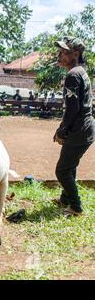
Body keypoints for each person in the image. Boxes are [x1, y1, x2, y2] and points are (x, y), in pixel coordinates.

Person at [52, 36, 95, 216]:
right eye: (59, 51)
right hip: (84, 129)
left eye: (64, 52)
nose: (59, 55)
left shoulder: (73, 75)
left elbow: (73, 108)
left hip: (79, 130)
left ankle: (76, 207)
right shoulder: (80, 71)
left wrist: (62, 131)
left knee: (62, 170)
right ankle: (65, 199)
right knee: (70, 166)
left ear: (75, 54)